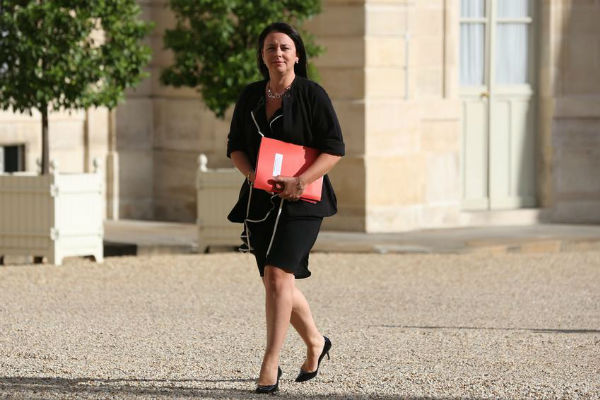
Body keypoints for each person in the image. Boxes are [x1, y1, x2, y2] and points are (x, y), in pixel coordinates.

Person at [226, 22, 345, 394]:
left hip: (303, 200)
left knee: (278, 277)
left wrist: (300, 181)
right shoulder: (250, 97)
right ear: (262, 56)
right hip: (261, 201)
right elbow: (235, 147)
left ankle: (270, 362)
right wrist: (253, 176)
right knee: (276, 280)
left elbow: (334, 148)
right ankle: (315, 341)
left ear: (297, 54)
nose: (277, 53)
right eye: (270, 48)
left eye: (284, 47)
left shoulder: (313, 94)